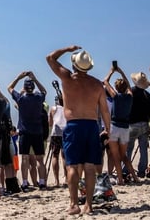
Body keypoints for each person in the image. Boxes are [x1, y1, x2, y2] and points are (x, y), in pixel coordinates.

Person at [47, 46, 110, 217]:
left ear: (74, 65)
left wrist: (68, 49)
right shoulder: (97, 84)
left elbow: (50, 58)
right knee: (90, 167)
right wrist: (107, 130)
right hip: (91, 126)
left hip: (74, 125)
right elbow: (104, 110)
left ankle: (74, 203)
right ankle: (88, 205)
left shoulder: (67, 78)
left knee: (72, 166)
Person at [7, 70, 48, 190]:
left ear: (24, 88)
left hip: (25, 131)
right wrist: (35, 78)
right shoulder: (39, 98)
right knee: (40, 158)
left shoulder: (20, 99)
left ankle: (25, 182)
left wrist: (18, 77)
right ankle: (41, 181)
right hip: (37, 131)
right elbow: (44, 91)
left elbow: (9, 87)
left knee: (24, 157)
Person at [101, 64, 138, 184]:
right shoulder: (130, 97)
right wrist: (121, 72)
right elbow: (128, 86)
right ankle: (135, 177)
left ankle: (120, 179)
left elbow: (105, 81)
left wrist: (111, 71)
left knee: (115, 155)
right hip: (125, 128)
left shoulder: (115, 96)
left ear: (116, 88)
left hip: (114, 126)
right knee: (124, 156)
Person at [125, 72, 150, 180]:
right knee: (143, 149)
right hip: (144, 124)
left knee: (128, 149)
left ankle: (126, 170)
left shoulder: (130, 92)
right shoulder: (147, 95)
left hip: (132, 124)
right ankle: (141, 171)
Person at [47, 93, 67, 188]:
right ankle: (66, 178)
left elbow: (50, 123)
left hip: (56, 133)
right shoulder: (67, 108)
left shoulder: (53, 109)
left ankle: (56, 180)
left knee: (55, 155)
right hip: (66, 132)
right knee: (64, 157)